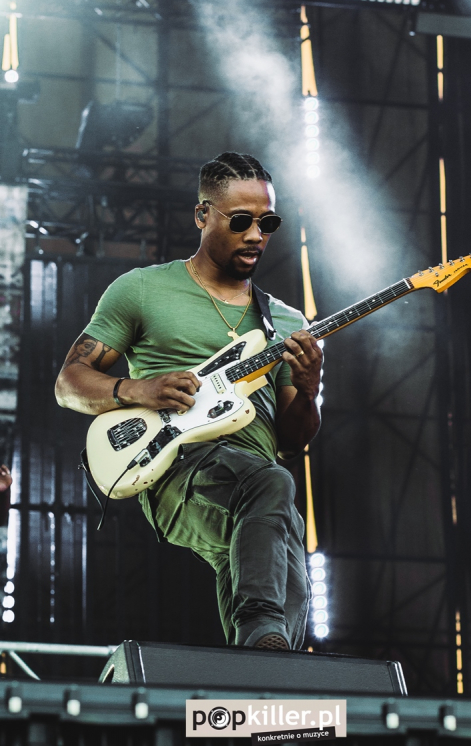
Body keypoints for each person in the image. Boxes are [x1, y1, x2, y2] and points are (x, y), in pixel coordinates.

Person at [55, 152, 323, 650]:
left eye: (267, 223)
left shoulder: (285, 322)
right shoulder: (142, 289)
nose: (255, 235)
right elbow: (69, 382)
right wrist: (137, 389)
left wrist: (307, 390)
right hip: (176, 462)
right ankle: (261, 639)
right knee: (270, 489)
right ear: (202, 215)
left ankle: (258, 681)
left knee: (291, 589)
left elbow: (293, 441)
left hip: (259, 486)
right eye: (240, 221)